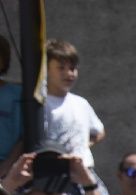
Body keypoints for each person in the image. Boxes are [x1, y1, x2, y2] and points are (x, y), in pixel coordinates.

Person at [39, 40, 103, 171]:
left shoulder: (81, 103)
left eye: (72, 68)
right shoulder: (41, 104)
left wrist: (81, 146)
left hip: (85, 170)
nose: (69, 73)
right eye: (61, 68)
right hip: (54, 172)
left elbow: (99, 131)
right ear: (46, 69)